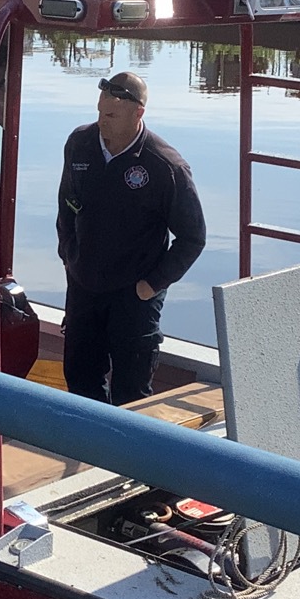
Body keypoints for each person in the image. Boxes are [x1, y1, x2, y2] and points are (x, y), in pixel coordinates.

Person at [56, 71, 206, 405]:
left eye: (110, 116)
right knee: (80, 381)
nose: (101, 122)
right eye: (99, 112)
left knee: (131, 394)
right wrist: (69, 255)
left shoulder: (165, 166)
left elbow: (193, 238)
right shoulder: (80, 144)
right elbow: (66, 207)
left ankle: (126, 456)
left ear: (138, 113)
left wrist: (152, 284)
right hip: (84, 285)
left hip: (135, 293)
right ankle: (89, 452)